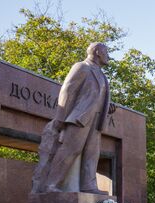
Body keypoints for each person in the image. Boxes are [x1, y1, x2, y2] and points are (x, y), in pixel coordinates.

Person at [33, 42, 115, 194]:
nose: (108, 56)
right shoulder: (82, 67)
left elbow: (95, 95)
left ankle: (88, 185)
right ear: (97, 52)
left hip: (97, 120)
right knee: (70, 150)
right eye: (106, 52)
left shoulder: (102, 75)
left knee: (92, 154)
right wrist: (60, 118)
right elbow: (67, 91)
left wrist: (108, 106)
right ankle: (50, 184)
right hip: (79, 117)